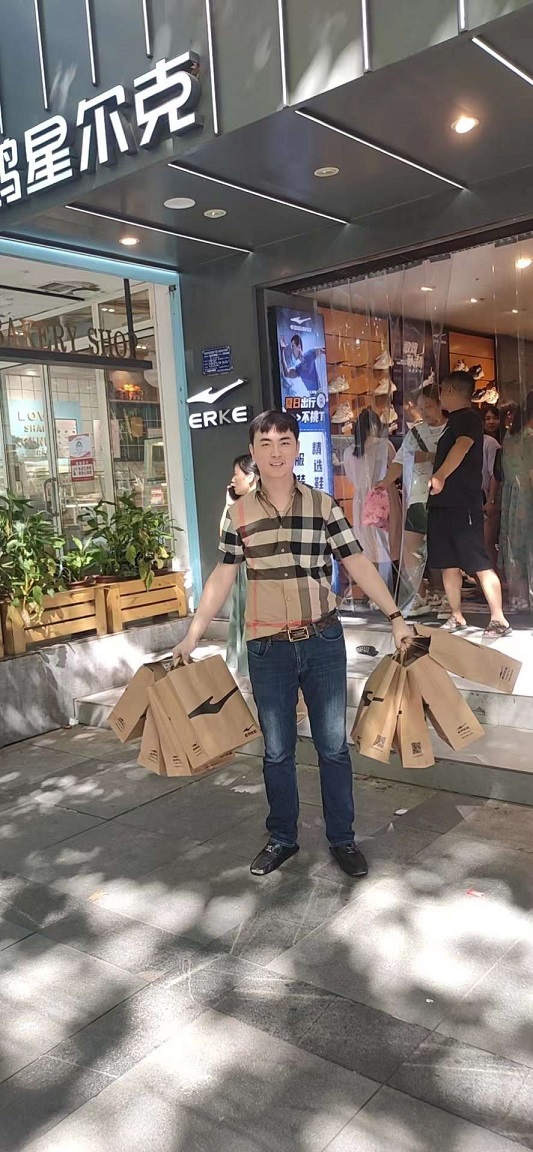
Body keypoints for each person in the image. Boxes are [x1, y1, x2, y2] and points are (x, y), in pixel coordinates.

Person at [174, 409, 413, 879]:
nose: (276, 452)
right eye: (266, 443)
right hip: (268, 647)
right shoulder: (238, 514)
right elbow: (223, 575)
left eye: (285, 442)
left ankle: (342, 839)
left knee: (333, 748)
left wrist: (396, 618)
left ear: (297, 449)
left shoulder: (324, 506)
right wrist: (193, 635)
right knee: (277, 751)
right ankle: (282, 837)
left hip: (322, 639)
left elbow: (357, 562)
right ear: (254, 452)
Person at [427, 372, 511, 637]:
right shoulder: (452, 422)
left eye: (442, 390)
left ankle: (498, 618)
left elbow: (462, 446)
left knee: (478, 560)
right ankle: (456, 615)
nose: (440, 396)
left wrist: (441, 475)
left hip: (463, 503)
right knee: (447, 561)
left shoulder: (469, 418)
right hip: (443, 504)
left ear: (451, 390)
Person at [377, 382, 447, 614]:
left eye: (428, 406)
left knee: (444, 548)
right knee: (410, 547)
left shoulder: (452, 429)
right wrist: (386, 481)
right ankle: (420, 594)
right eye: (421, 407)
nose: (424, 411)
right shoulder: (415, 432)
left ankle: (447, 595)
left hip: (445, 497)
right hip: (417, 498)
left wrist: (427, 457)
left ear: (440, 404)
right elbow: (399, 461)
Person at [343, 408, 402, 590]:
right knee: (386, 543)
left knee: (367, 544)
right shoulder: (384, 445)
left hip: (361, 499)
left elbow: (351, 477)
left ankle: (371, 590)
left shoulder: (349, 451)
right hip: (383, 496)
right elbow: (396, 469)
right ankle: (386, 588)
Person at [221, 455, 258, 678]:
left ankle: (249, 665)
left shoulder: (249, 508)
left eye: (237, 474)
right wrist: (229, 503)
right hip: (243, 569)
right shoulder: (239, 507)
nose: (233, 480)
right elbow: (224, 538)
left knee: (248, 616)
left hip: (251, 570)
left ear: (250, 476)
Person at [500, 392, 533, 611]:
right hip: (526, 494)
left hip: (513, 493)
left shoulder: (511, 434)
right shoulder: (529, 437)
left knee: (516, 544)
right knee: (528, 543)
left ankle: (519, 595)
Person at [481, 405, 502, 571]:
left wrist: (491, 500)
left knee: (488, 543)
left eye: (495, 418)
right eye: (488, 418)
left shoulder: (491, 443)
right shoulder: (482, 441)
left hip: (489, 497)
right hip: (481, 496)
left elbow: (495, 474)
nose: (492, 422)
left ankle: (494, 576)